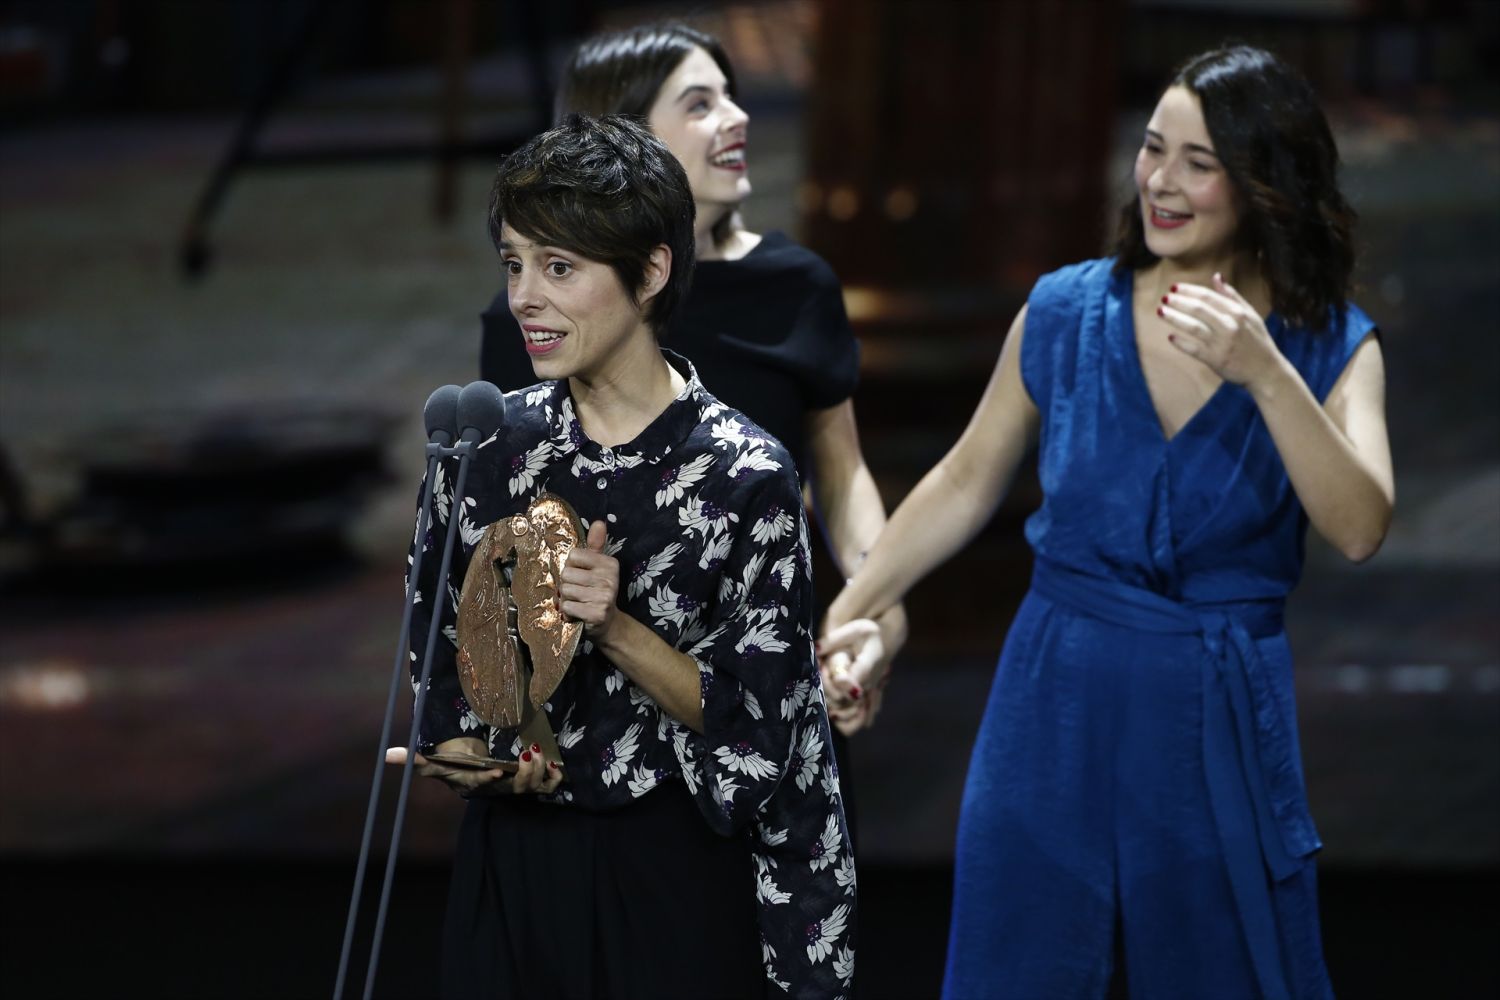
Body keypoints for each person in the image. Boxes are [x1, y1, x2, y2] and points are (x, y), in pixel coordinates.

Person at [820, 45, 1392, 999]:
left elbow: (1362, 527)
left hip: (1213, 711)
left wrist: (1265, 373)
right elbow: (964, 480)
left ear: (1267, 185)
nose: (1160, 182)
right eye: (1153, 148)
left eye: (1198, 163)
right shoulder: (1066, 311)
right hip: (1056, 695)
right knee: (1020, 965)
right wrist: (854, 611)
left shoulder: (1331, 342)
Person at [391, 114, 856, 999]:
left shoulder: (743, 474)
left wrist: (612, 626)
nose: (525, 297)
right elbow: (441, 662)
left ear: (650, 272)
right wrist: (475, 753)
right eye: (514, 264)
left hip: (672, 877)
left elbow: (766, 729)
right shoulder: (489, 447)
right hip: (514, 870)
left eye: (559, 268)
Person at [476, 22, 906, 748]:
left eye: (730, 97)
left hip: (750, 683)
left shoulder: (794, 285)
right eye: (701, 104)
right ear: (623, 140)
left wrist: (876, 613)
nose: (737, 118)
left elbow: (841, 478)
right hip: (596, 707)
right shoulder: (540, 320)